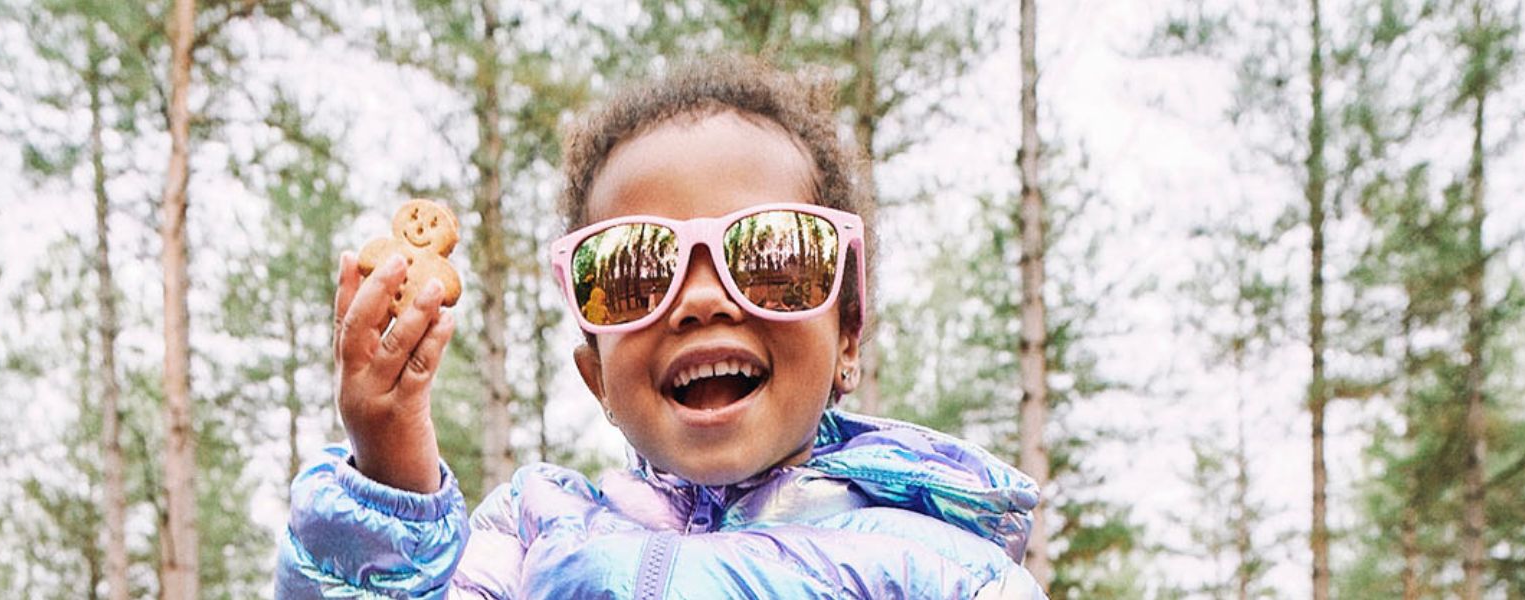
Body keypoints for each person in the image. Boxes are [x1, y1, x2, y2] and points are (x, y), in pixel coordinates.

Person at [276, 54, 1045, 599]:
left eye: (773, 255)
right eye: (636, 273)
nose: (700, 300)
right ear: (595, 376)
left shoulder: (950, 572)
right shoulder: (528, 538)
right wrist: (386, 474)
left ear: (846, 336)